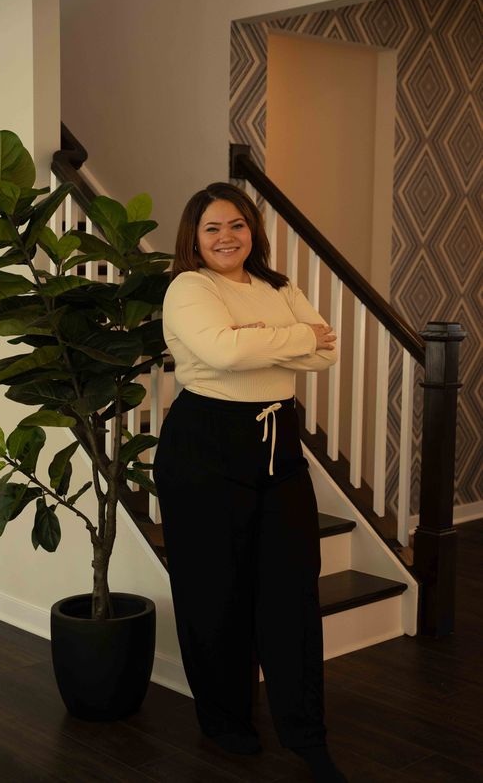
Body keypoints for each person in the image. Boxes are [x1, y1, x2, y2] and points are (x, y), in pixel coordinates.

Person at [153, 182, 347, 783]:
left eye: (236, 225)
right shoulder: (189, 288)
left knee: (293, 593)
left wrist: (257, 344)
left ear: (252, 232)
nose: (226, 237)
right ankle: (225, 722)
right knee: (214, 593)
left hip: (277, 444)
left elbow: (326, 354)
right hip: (205, 446)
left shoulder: (279, 286)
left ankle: (305, 732)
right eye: (212, 228)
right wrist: (290, 339)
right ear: (195, 236)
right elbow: (222, 353)